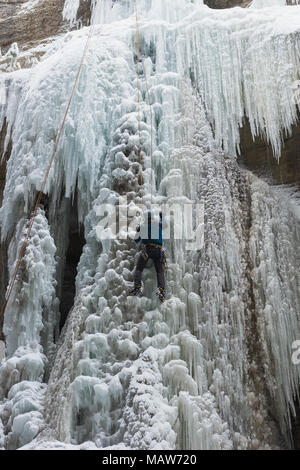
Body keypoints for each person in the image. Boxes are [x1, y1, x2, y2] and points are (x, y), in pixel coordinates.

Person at [129, 210, 168, 303]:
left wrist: (138, 230)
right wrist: (162, 216)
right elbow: (165, 224)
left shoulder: (143, 227)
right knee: (160, 271)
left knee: (139, 269)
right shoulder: (158, 225)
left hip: (147, 250)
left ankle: (137, 287)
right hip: (158, 250)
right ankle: (161, 290)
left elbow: (136, 240)